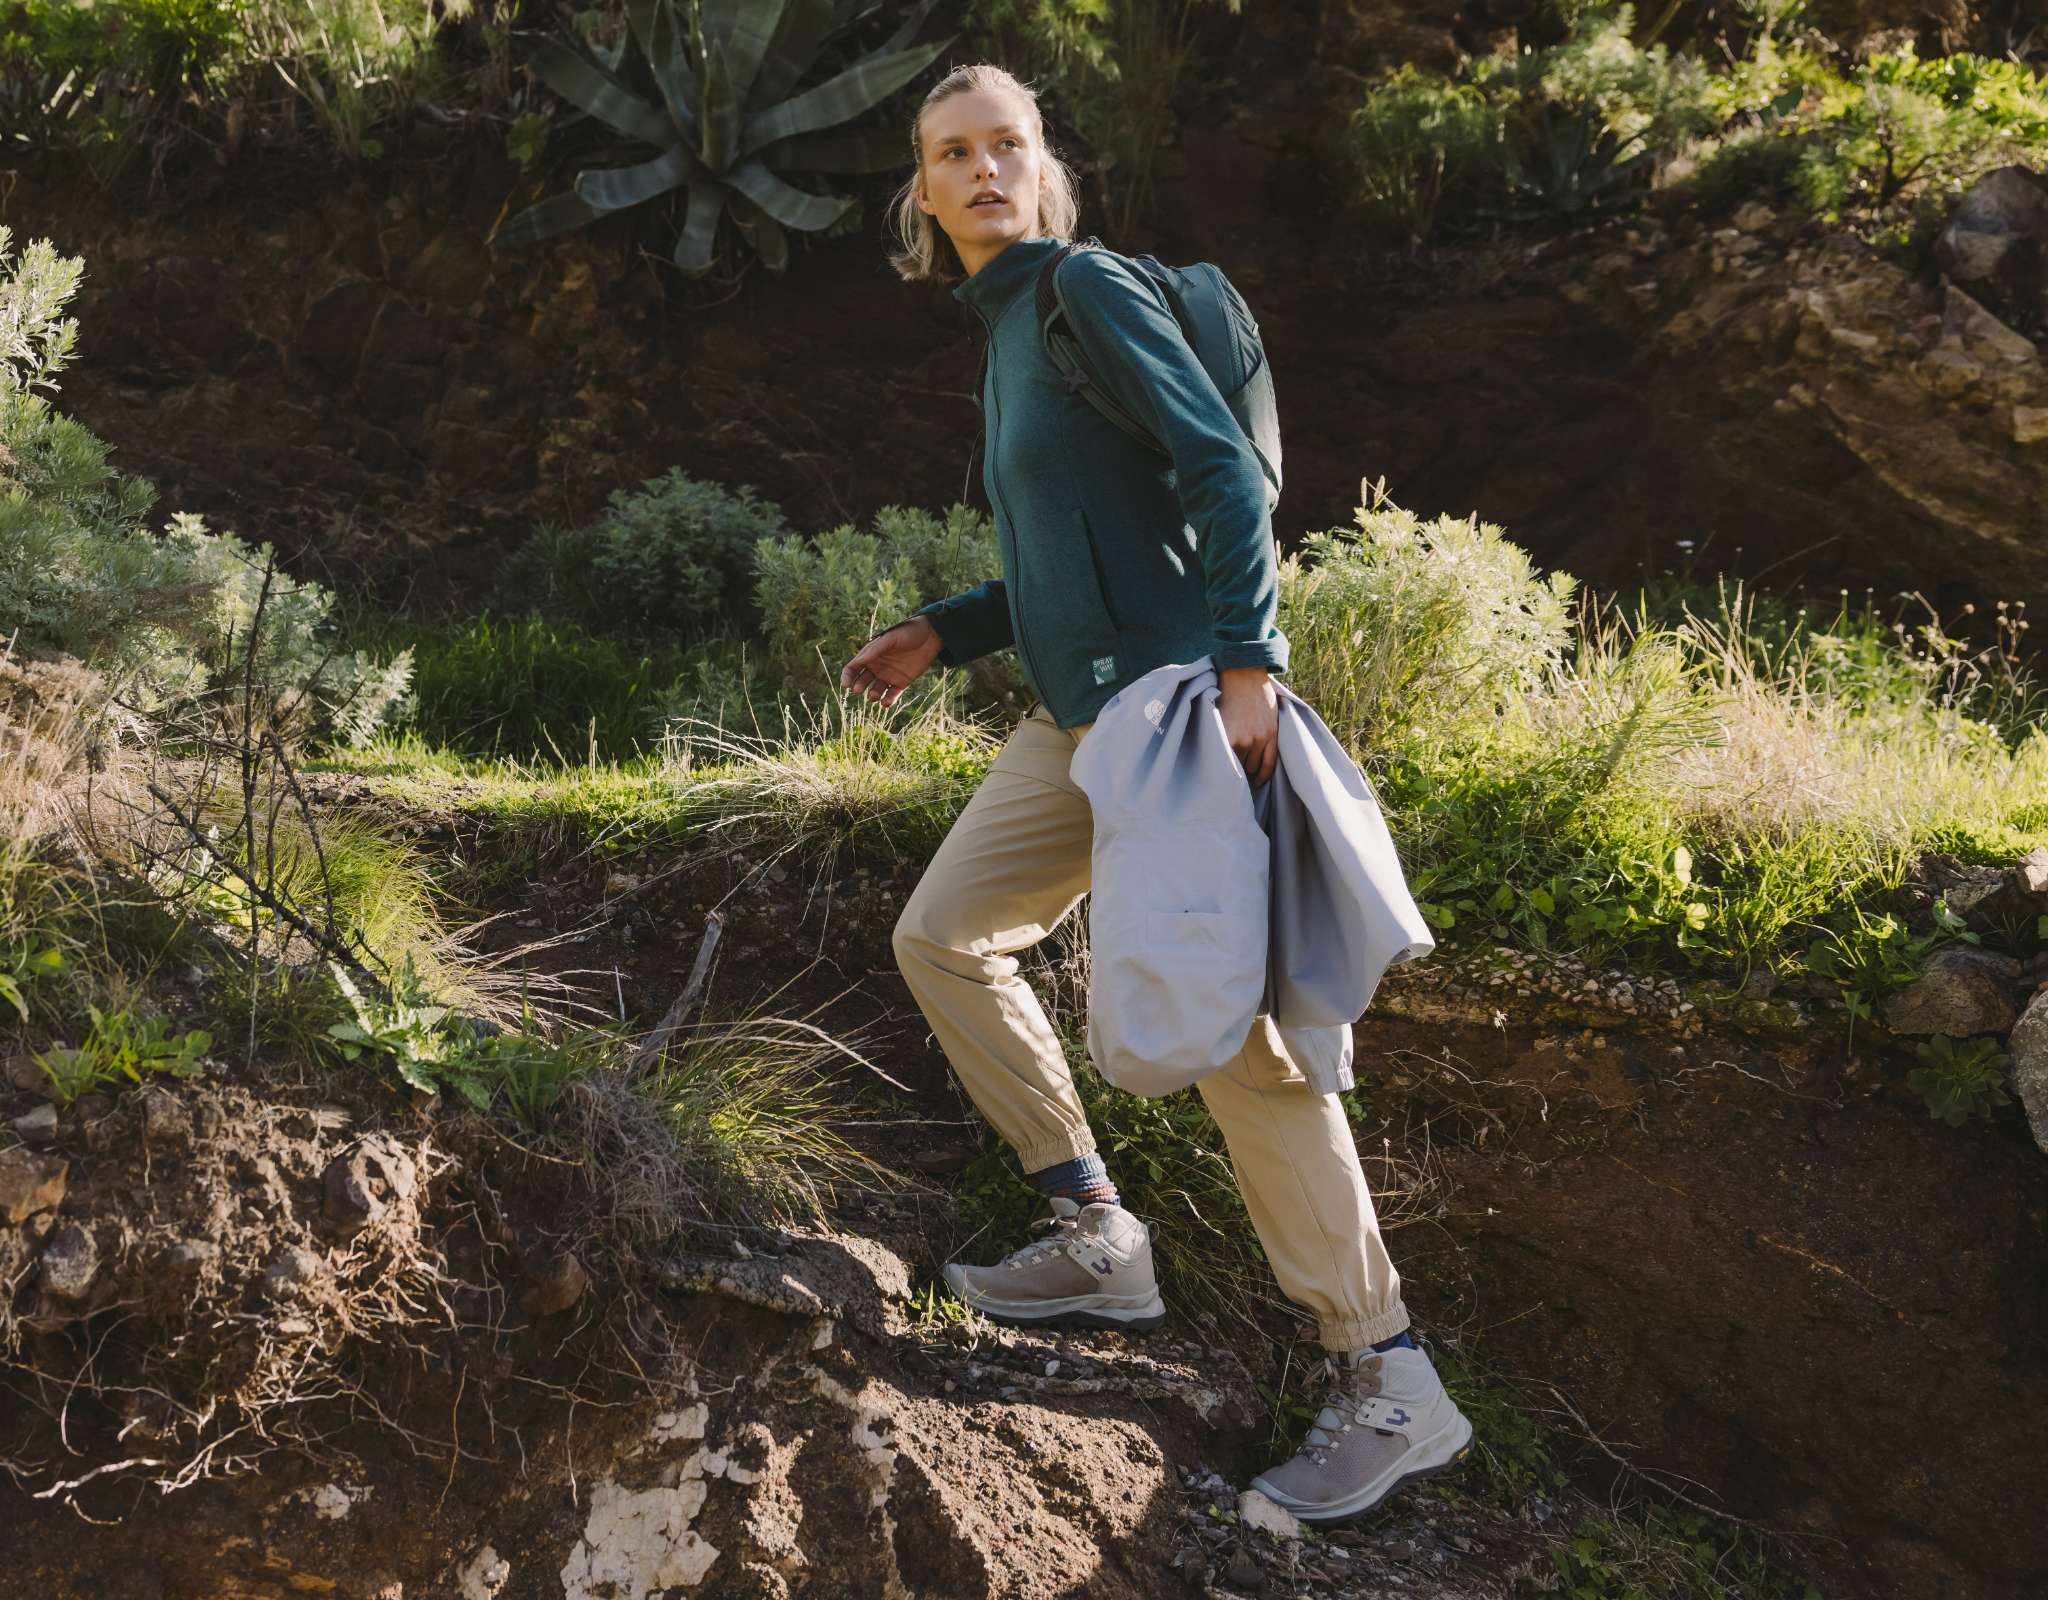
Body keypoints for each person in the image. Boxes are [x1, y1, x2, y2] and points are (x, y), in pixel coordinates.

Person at [838, 61, 1473, 1525]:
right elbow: (1079, 544)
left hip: (1180, 713)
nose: (984, 169)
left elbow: (1221, 480)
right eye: (953, 153)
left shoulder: (1090, 293)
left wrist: (1250, 663)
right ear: (921, 195)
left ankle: (1390, 1377)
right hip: (1079, 727)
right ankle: (1093, 1232)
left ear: (1045, 171)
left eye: (1008, 145)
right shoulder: (1006, 338)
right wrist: (952, 625)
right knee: (944, 934)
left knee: (1245, 1044)